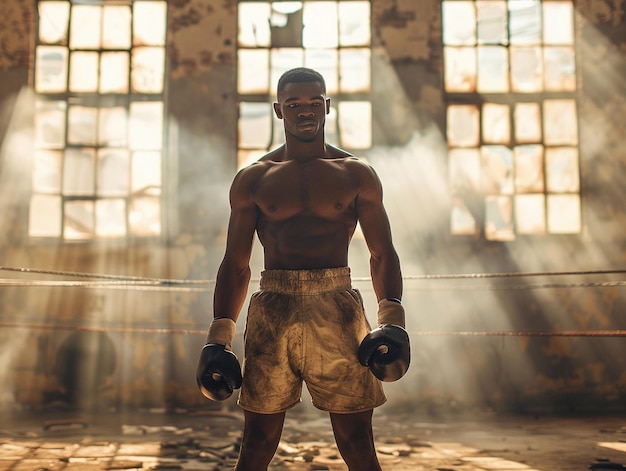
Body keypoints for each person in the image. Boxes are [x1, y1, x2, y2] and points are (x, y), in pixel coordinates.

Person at [196, 67, 410, 471]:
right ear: (279, 110)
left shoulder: (356, 174)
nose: (305, 111)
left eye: (314, 103)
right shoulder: (254, 178)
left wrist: (393, 320)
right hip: (272, 307)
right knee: (257, 441)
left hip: (338, 306)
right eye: (294, 104)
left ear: (327, 107)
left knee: (358, 441)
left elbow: (382, 254)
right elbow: (236, 264)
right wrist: (217, 338)